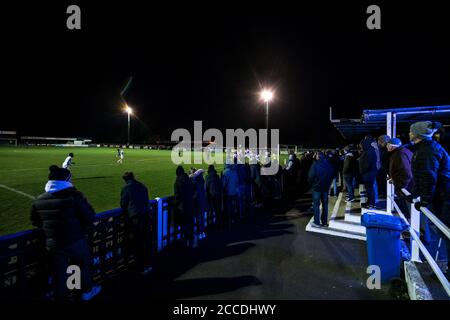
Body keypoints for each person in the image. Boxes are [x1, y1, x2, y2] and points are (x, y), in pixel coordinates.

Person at [30, 165, 101, 300]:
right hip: (75, 240)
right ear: (66, 181)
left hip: (53, 243)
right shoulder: (74, 196)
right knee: (80, 266)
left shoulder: (39, 199)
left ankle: (63, 296)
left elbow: (35, 221)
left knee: (59, 274)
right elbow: (89, 216)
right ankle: (84, 292)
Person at [409, 121, 450, 275]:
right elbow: (421, 176)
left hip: (444, 197)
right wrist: (414, 194)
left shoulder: (427, 151)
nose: (409, 133)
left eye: (411, 131)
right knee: (443, 232)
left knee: (446, 233)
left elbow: (428, 177)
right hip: (442, 196)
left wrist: (424, 200)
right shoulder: (426, 148)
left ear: (418, 134)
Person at [120, 171, 152, 275]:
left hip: (136, 218)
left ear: (125, 180)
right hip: (146, 215)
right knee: (146, 240)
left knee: (138, 242)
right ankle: (148, 264)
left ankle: (140, 267)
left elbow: (123, 204)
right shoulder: (142, 186)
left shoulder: (126, 188)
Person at [386, 138, 413, 218]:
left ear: (392, 146)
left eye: (388, 145)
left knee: (410, 210)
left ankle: (413, 228)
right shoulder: (404, 151)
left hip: (408, 187)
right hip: (410, 185)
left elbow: (407, 173)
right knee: (409, 210)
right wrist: (393, 177)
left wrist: (401, 186)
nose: (387, 147)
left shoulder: (399, 155)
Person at [308, 152, 335, 227]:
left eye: (316, 156)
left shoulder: (316, 164)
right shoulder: (329, 164)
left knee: (316, 205)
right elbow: (332, 175)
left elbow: (310, 176)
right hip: (325, 188)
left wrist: (311, 185)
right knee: (325, 205)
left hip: (317, 188)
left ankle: (317, 222)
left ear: (318, 157)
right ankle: (324, 222)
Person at [174, 166, 196, 247]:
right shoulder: (189, 179)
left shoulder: (177, 182)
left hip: (182, 207)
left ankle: (185, 241)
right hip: (190, 205)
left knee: (183, 224)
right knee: (190, 223)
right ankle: (192, 240)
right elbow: (193, 190)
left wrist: (177, 204)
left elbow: (177, 197)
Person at [359, 137, 378, 209]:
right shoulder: (368, 150)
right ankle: (369, 202)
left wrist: (362, 170)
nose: (360, 146)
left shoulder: (370, 152)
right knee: (368, 189)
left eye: (361, 145)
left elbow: (367, 164)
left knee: (370, 189)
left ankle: (371, 204)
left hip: (369, 173)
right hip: (368, 173)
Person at [189, 168, 208, 239]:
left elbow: (196, 193)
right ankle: (202, 232)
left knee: (198, 218)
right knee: (201, 218)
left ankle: (200, 233)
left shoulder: (195, 181)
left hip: (198, 203)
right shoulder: (202, 180)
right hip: (203, 201)